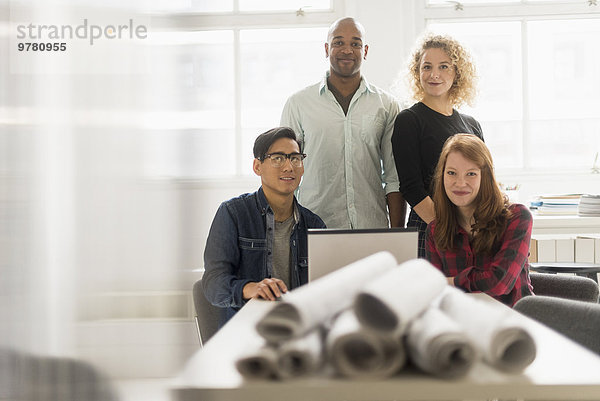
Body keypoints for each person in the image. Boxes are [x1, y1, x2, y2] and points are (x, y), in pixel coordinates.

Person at [281, 17, 405, 229]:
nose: (347, 50)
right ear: (327, 48)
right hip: (314, 228)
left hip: (372, 227)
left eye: (355, 44)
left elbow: (394, 176)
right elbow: (285, 173)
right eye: (338, 42)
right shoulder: (298, 104)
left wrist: (396, 235)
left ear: (365, 51)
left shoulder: (386, 105)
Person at [202, 127, 326, 326]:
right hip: (247, 332)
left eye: (295, 158)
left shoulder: (314, 225)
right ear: (257, 166)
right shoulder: (233, 214)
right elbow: (212, 284)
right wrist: (249, 288)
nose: (289, 167)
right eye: (278, 158)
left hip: (299, 330)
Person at [392, 33, 484, 256]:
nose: (434, 74)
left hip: (471, 227)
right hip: (430, 226)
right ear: (417, 72)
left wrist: (475, 228)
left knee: (468, 291)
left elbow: (483, 181)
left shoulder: (471, 124)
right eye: (427, 67)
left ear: (457, 72)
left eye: (444, 66)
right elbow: (411, 188)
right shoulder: (409, 120)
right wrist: (450, 229)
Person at [425, 134, 533, 306]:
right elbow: (433, 293)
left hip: (514, 324)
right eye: (452, 173)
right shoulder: (434, 230)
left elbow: (499, 284)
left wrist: (451, 282)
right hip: (462, 323)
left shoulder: (517, 217)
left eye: (471, 174)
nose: (460, 183)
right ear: (442, 176)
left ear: (485, 178)